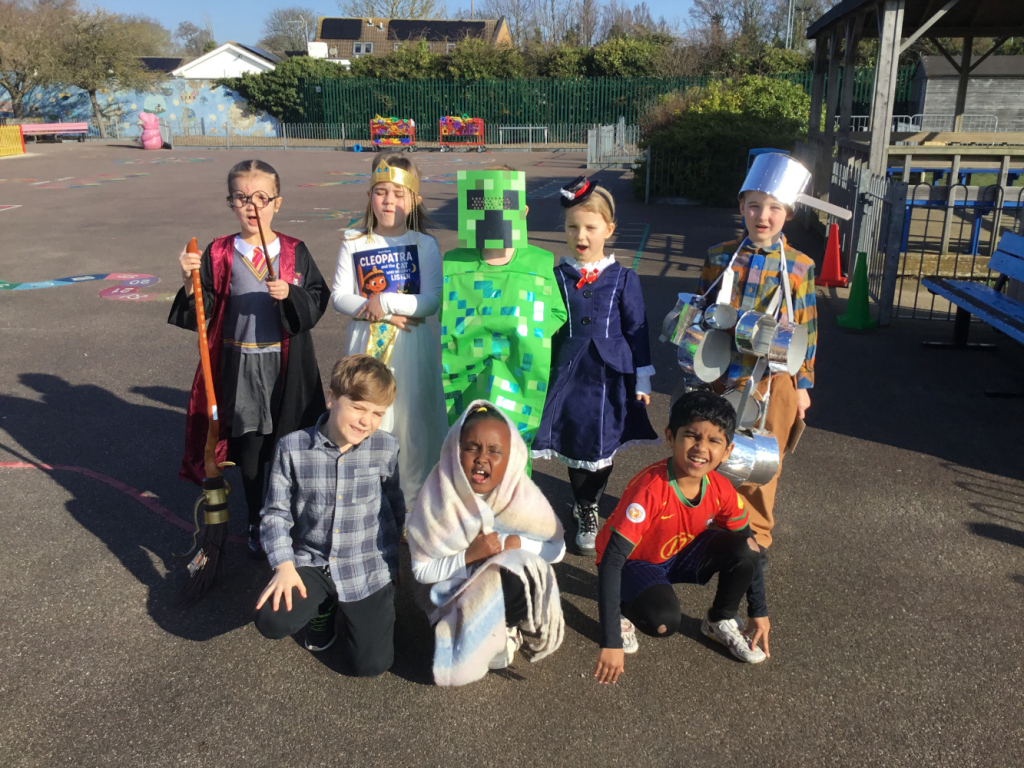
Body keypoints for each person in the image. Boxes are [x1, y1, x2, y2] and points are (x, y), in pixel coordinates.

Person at [169, 159, 329, 556]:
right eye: (242, 198)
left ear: (278, 202)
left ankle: (293, 514)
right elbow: (203, 307)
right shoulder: (220, 251)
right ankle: (258, 516)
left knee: (290, 442)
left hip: (287, 365)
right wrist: (188, 280)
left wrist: (290, 294)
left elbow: (317, 297)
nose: (252, 206)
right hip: (240, 364)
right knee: (253, 448)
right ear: (231, 202)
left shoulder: (294, 250)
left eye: (261, 198)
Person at [593, 391, 770, 684]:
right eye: (692, 436)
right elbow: (612, 560)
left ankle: (719, 619)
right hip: (633, 563)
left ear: (728, 450)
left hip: (675, 553)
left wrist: (758, 611)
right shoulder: (650, 489)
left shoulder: (721, 488)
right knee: (663, 622)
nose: (701, 448)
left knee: (748, 549)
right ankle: (624, 609)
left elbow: (749, 543)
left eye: (714, 441)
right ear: (670, 437)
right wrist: (610, 639)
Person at [254, 355, 404, 678]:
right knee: (271, 619)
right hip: (314, 559)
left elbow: (394, 505)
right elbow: (275, 513)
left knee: (371, 665)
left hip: (365, 563)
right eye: (358, 407)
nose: (366, 421)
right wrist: (284, 566)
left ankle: (361, 608)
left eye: (377, 413)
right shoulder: (292, 448)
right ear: (332, 397)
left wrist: (393, 568)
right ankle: (324, 606)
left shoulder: (385, 447)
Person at [532, 177, 658, 553]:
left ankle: (591, 501)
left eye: (590, 227)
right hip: (570, 374)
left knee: (603, 445)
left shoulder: (623, 278)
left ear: (609, 229)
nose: (581, 235)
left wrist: (643, 378)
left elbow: (636, 329)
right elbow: (544, 328)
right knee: (575, 440)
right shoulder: (555, 277)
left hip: (611, 377)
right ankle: (584, 504)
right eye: (573, 227)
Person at [698, 180, 817, 562]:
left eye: (774, 208)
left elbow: (807, 326)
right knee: (714, 450)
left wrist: (803, 384)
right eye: (754, 206)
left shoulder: (799, 266)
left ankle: (756, 535)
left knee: (763, 458)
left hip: (774, 380)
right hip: (722, 373)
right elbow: (702, 313)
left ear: (789, 213)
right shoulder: (719, 257)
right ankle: (711, 522)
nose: (763, 216)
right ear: (741, 207)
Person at [407, 402, 566, 686]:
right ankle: (464, 621)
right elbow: (421, 571)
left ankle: (508, 626)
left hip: (502, 582)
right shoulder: (438, 494)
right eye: (472, 448)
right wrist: (469, 555)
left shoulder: (520, 494)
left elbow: (557, 548)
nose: (482, 458)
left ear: (512, 458)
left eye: (494, 451)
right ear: (456, 451)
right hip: (452, 588)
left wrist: (515, 542)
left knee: (523, 570)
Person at [332, 153, 447, 506]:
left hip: (411, 348)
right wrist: (378, 313)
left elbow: (431, 301)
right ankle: (366, 501)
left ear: (414, 200)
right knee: (365, 419)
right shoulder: (355, 241)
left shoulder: (424, 245)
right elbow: (339, 296)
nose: (389, 201)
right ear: (370, 196)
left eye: (398, 194)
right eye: (381, 192)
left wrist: (386, 301)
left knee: (410, 422)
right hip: (365, 345)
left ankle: (411, 504)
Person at [439, 166, 567, 455]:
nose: (493, 216)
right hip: (469, 375)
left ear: (522, 212)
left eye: (503, 206)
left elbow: (556, 313)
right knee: (471, 443)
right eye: (482, 206)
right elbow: (445, 315)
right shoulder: (457, 264)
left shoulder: (537, 264)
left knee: (512, 446)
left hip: (519, 374)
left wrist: (529, 336)